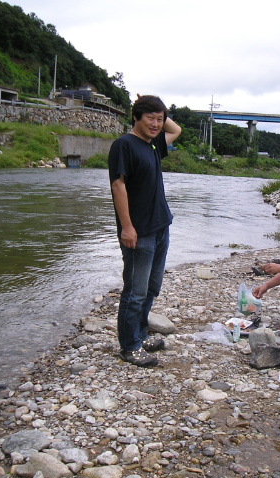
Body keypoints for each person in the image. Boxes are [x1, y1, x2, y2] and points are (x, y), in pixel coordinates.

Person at [108, 95, 182, 367]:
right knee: (135, 291)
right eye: (149, 117)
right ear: (135, 117)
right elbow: (118, 185)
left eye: (159, 119)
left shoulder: (153, 145)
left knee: (152, 288)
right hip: (139, 232)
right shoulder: (123, 145)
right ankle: (129, 347)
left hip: (161, 227)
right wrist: (126, 227)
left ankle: (139, 335)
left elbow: (176, 130)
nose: (156, 124)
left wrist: (161, 112)